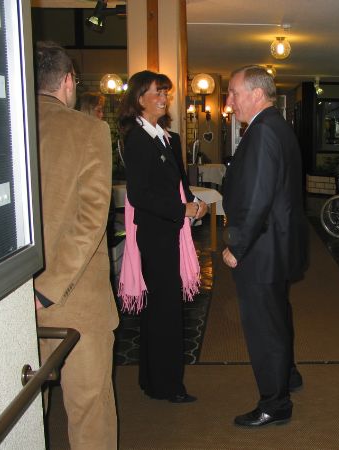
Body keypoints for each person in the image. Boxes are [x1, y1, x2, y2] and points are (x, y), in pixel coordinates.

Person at [33, 41, 119, 449]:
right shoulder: (88, 130)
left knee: (24, 412)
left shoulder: (7, 127)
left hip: (12, 300)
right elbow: (90, 220)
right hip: (75, 299)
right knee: (89, 411)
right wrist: (46, 291)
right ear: (68, 81)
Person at [222, 65, 309, 427]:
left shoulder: (263, 131)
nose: (229, 101)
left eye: (233, 93)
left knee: (264, 327)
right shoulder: (276, 126)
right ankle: (287, 375)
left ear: (257, 94)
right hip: (276, 244)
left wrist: (237, 246)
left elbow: (258, 197)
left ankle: (275, 404)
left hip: (261, 247)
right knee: (277, 316)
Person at [117, 70, 207, 403]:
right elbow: (139, 195)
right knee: (165, 311)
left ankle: (152, 380)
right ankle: (168, 385)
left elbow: (179, 183)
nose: (164, 98)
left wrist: (195, 204)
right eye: (157, 92)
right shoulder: (137, 139)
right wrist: (182, 209)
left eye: (165, 92)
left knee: (160, 309)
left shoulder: (169, 138)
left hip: (170, 231)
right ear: (139, 98)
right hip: (155, 235)